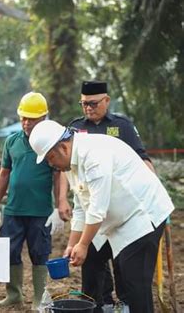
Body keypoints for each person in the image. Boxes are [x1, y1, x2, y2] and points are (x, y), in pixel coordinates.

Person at [29, 120, 175, 313]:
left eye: (50, 157)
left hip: (141, 215)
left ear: (63, 147)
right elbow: (81, 207)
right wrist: (74, 244)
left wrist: (83, 244)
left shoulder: (94, 154)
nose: (50, 163)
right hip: (115, 217)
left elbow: (97, 208)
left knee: (134, 280)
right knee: (90, 257)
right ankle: (94, 308)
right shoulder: (71, 164)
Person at [66, 80, 155, 311]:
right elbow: (68, 171)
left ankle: (125, 304)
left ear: (106, 100)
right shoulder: (75, 129)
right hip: (93, 208)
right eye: (84, 104)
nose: (88, 108)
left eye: (93, 103)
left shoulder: (121, 126)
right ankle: (98, 305)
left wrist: (154, 196)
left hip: (121, 207)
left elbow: (142, 159)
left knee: (125, 265)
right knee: (92, 263)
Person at [0, 92, 65, 309]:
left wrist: (59, 206)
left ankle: (39, 296)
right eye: (23, 117)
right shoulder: (12, 141)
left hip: (40, 210)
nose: (26, 122)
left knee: (39, 253)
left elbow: (59, 173)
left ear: (43, 118)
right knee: (9, 251)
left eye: (31, 118)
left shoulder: (49, 142)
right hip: (14, 209)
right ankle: (14, 294)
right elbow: (4, 173)